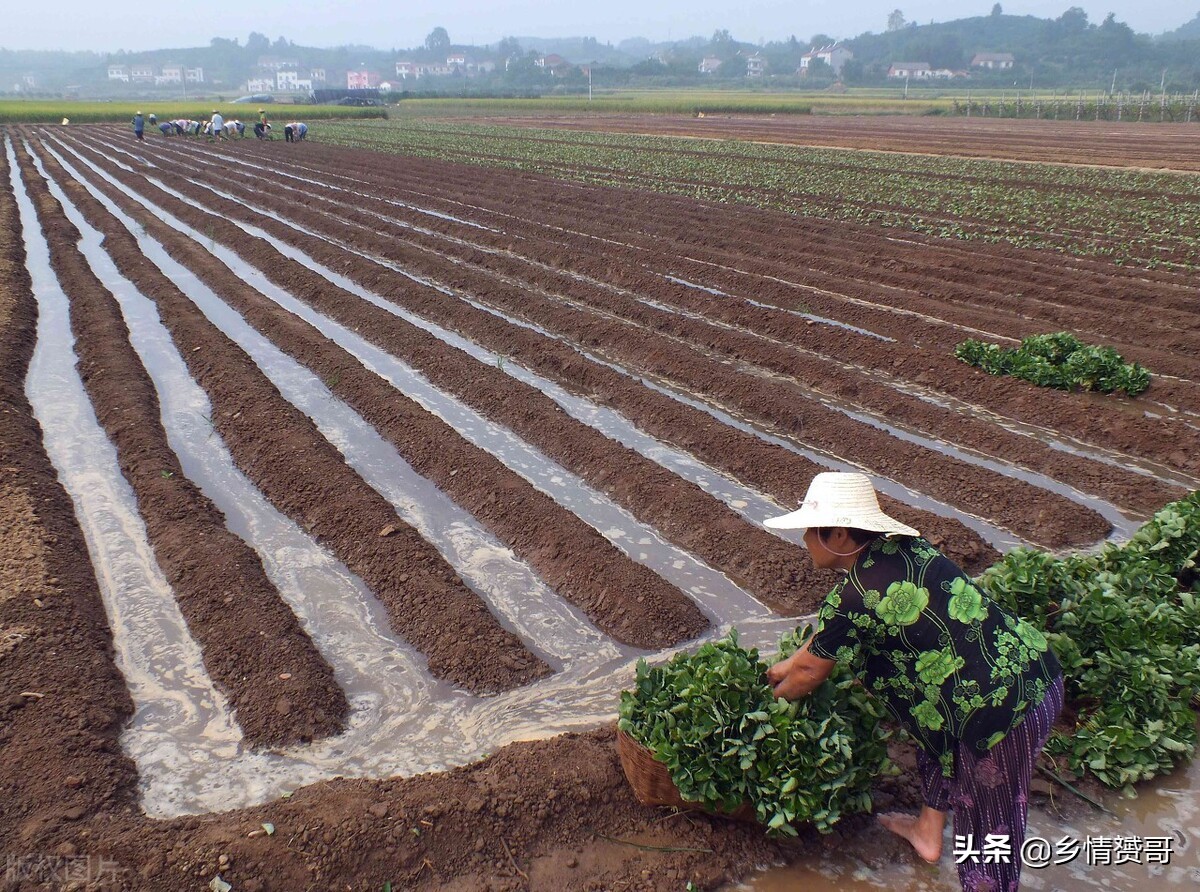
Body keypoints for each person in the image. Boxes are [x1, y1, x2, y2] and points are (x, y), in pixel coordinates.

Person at [764, 472, 1062, 892]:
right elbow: (822, 644)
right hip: (1031, 671)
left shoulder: (850, 598)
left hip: (1002, 713)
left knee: (988, 830)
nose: (806, 539)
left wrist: (773, 701)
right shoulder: (904, 550)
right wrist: (785, 665)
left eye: (813, 530)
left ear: (841, 535)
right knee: (933, 734)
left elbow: (811, 672)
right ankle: (926, 831)